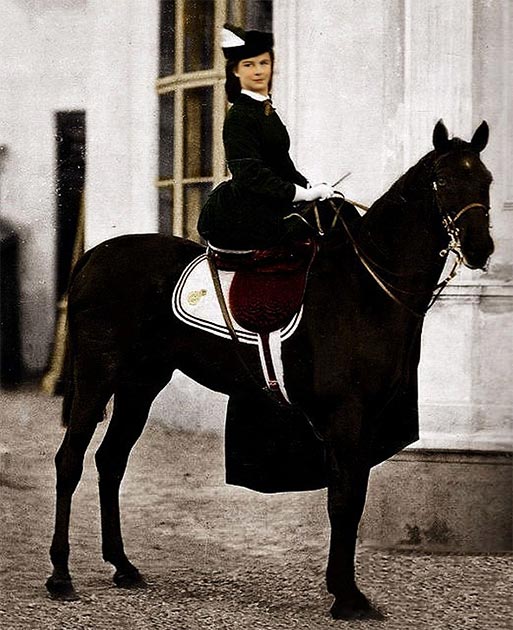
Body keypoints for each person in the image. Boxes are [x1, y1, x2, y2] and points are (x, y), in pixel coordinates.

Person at [197, 24, 335, 251]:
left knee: (336, 213)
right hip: (247, 211)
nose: (258, 71)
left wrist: (310, 186)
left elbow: (281, 163)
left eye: (264, 63)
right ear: (236, 71)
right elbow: (250, 174)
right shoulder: (239, 115)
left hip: (270, 202)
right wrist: (303, 193)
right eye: (249, 65)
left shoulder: (266, 110)